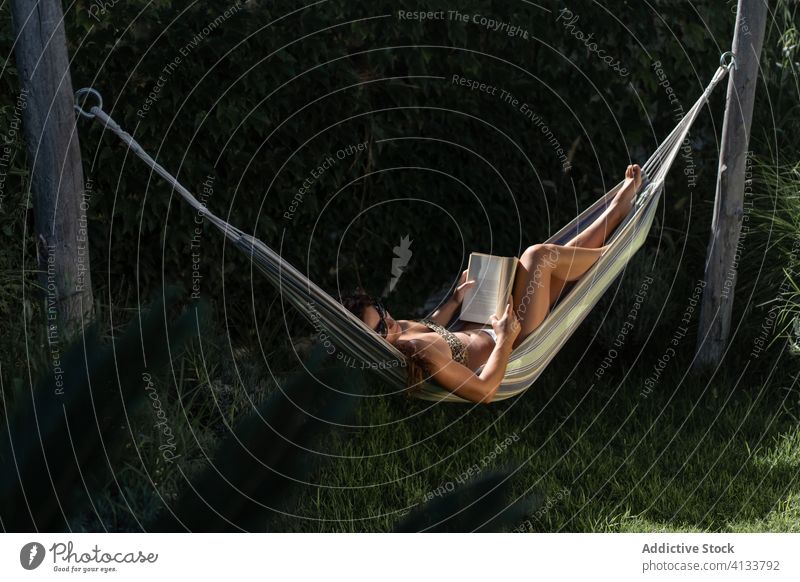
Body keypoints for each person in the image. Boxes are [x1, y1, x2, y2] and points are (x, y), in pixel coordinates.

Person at [342, 165, 643, 404]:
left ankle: (616, 213)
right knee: (540, 258)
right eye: (380, 329)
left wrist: (455, 301)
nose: (389, 323)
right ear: (372, 343)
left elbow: (429, 325)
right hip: (512, 340)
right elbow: (484, 391)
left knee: (544, 266)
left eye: (381, 311)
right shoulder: (419, 353)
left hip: (485, 320)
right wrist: (505, 338)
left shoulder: (402, 331)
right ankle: (613, 249)